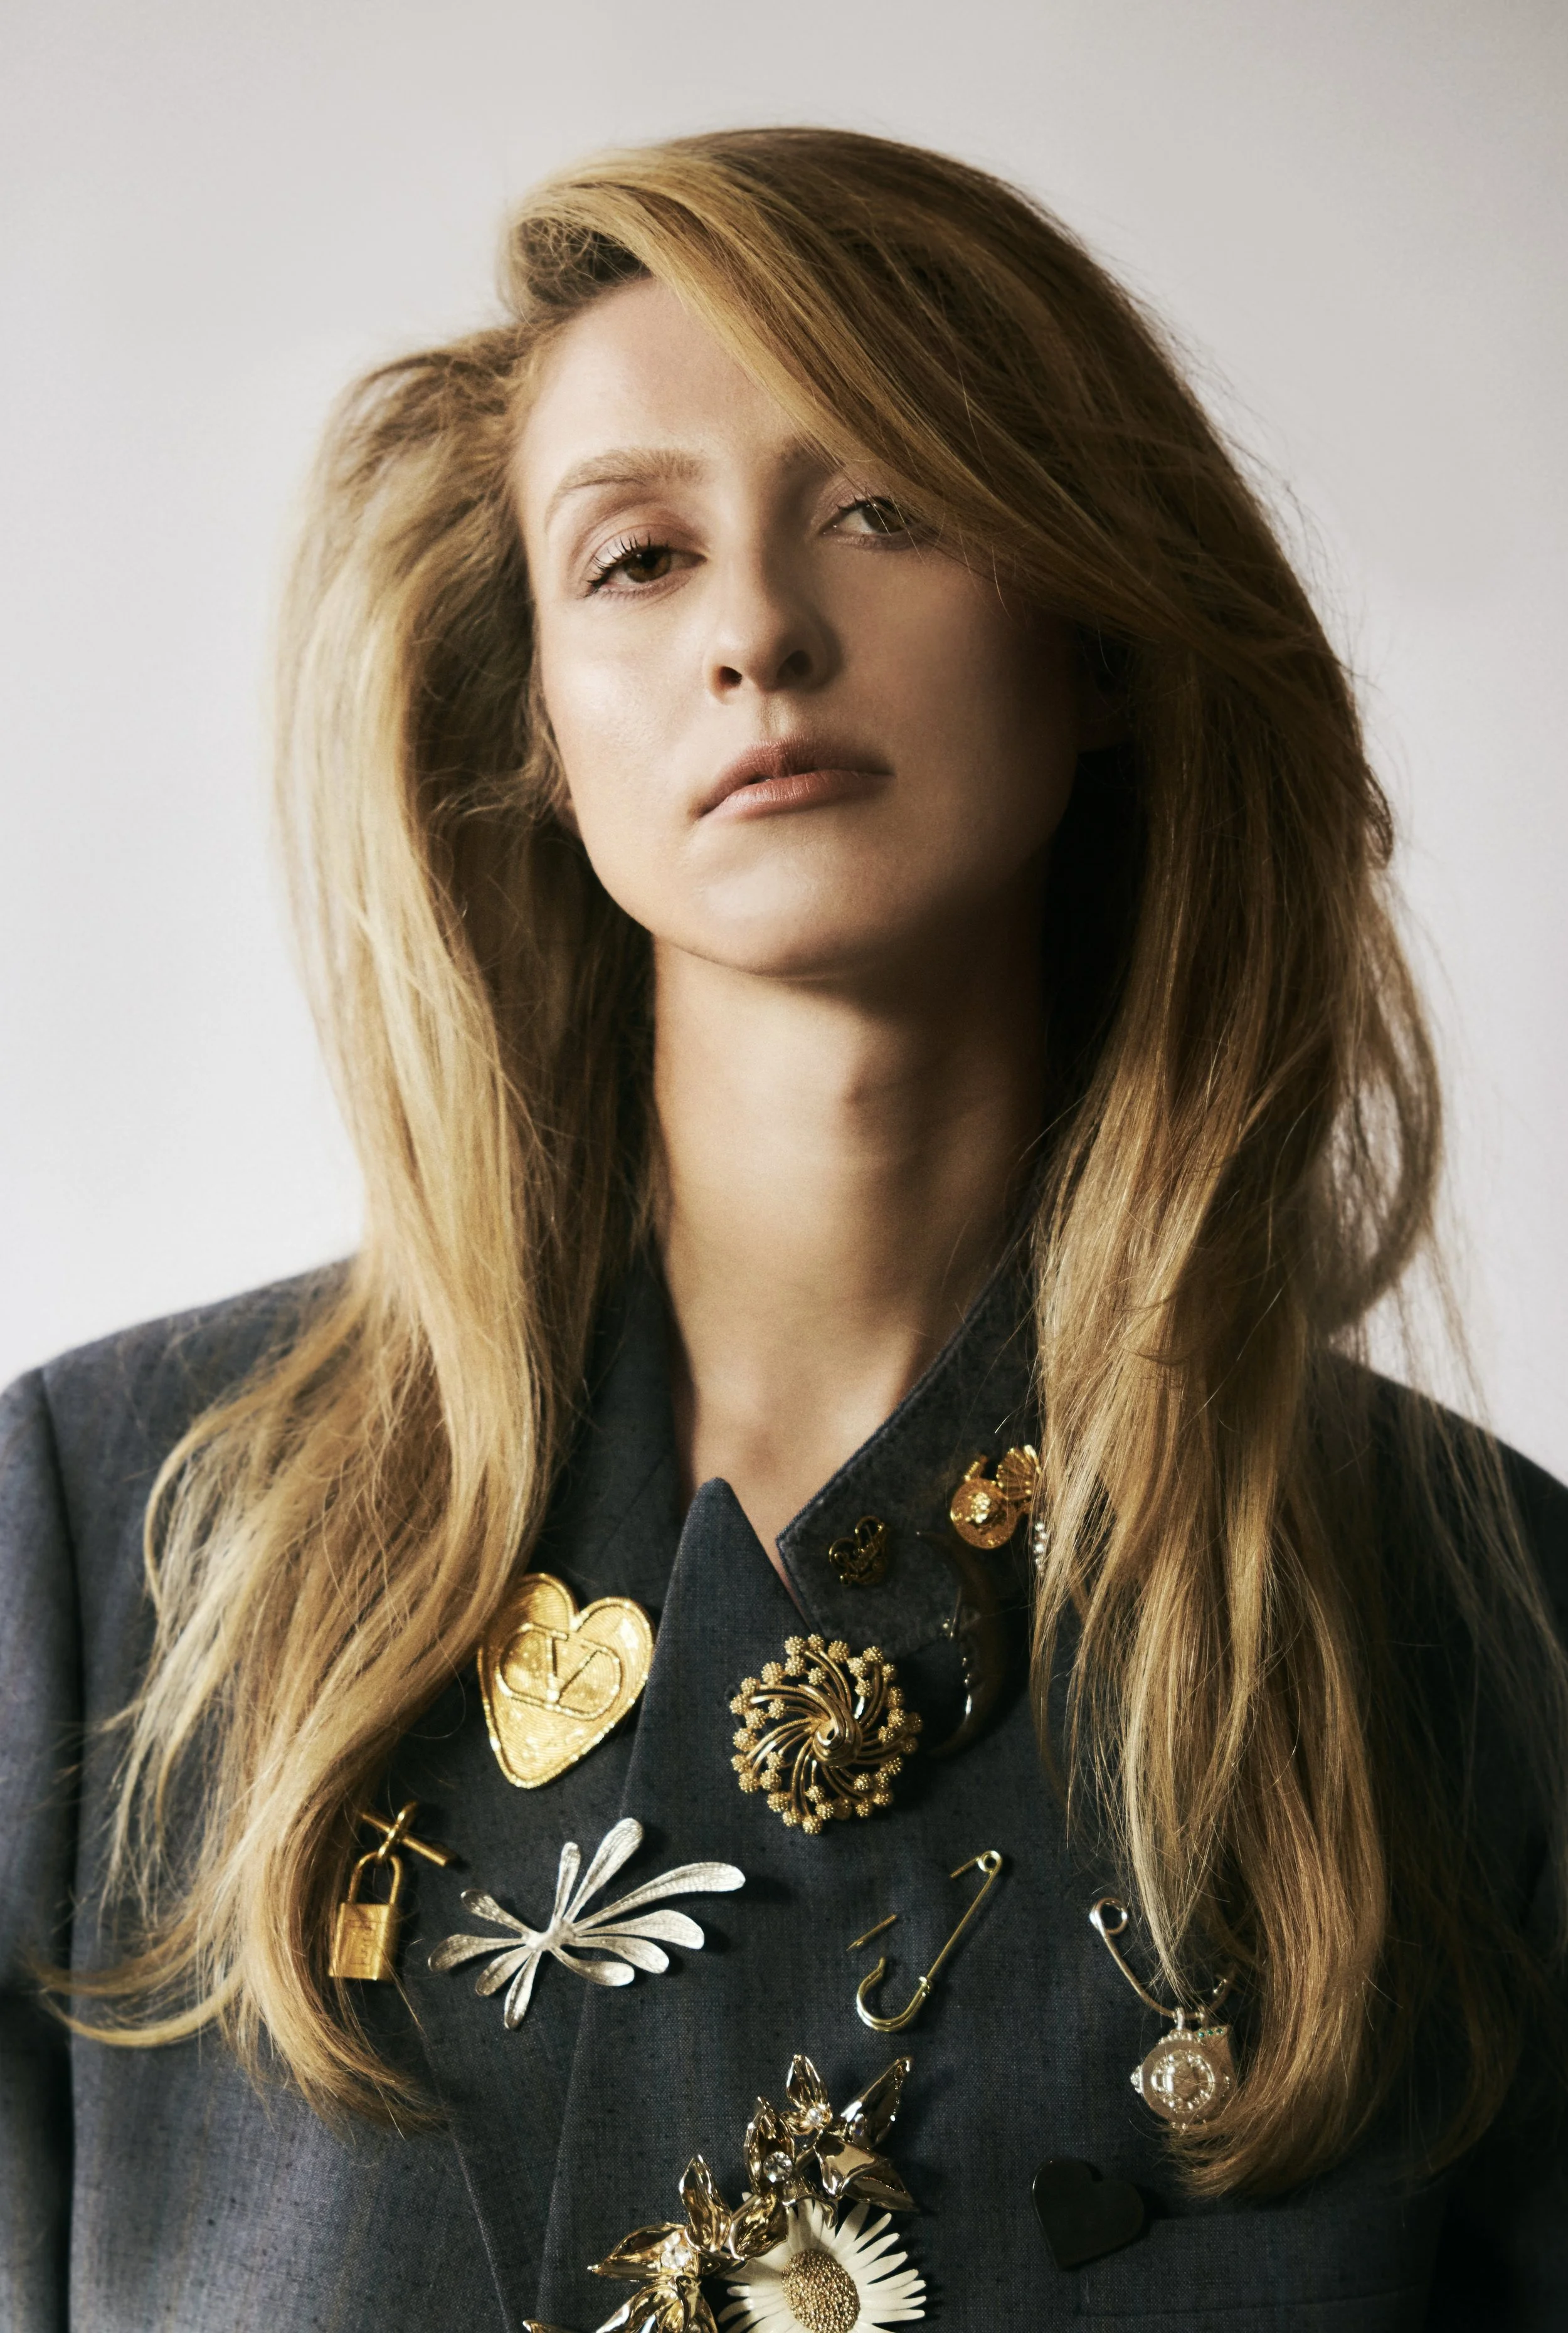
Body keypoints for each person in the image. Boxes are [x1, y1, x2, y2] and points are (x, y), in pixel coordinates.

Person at [2, 125, 1564, 2333]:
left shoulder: (1471, 1630)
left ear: (1091, 617)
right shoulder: (125, 1532)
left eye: (886, 505)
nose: (756, 629)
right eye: (633, 558)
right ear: (530, 716)